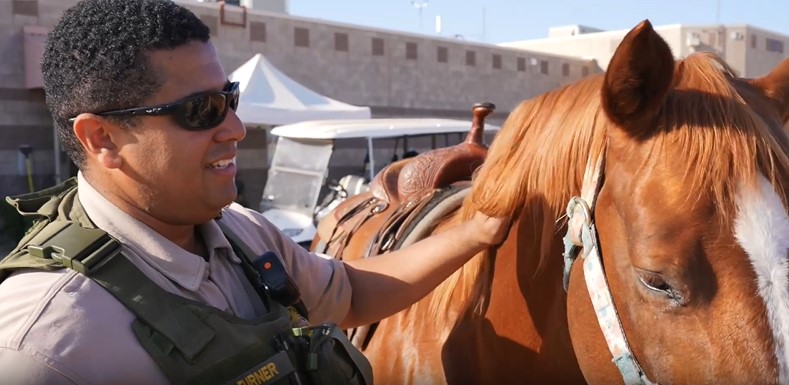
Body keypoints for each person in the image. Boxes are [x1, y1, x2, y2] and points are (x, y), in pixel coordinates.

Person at [0, 1, 510, 384]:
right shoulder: (46, 345)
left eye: (230, 98)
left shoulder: (240, 232)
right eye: (201, 111)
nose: (236, 128)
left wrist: (477, 230)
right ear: (102, 139)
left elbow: (350, 293)